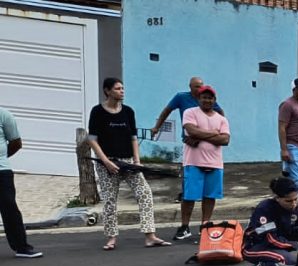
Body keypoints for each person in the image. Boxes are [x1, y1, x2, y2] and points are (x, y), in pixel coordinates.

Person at [87, 78, 169, 250]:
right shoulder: (97, 112)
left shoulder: (128, 111)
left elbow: (133, 137)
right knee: (110, 200)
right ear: (107, 91)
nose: (122, 91)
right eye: (117, 88)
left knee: (144, 192)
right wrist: (106, 161)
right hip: (107, 162)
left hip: (128, 162)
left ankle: (150, 235)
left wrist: (137, 161)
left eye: (123, 88)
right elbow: (92, 140)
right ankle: (111, 238)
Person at [173, 85, 230, 241]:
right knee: (189, 197)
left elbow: (225, 140)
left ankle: (205, 227)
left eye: (210, 97)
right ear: (198, 99)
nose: (207, 100)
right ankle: (184, 227)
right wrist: (213, 133)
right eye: (204, 97)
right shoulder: (190, 113)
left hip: (215, 163)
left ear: (214, 100)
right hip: (193, 162)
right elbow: (191, 131)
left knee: (210, 197)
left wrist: (199, 136)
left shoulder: (221, 118)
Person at [0, 106, 41, 258]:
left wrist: (2, 158)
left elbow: (16, 142)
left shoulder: (4, 115)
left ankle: (22, 247)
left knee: (9, 207)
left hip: (2, 171)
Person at [149, 76, 225, 139]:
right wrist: (157, 127)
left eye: (201, 87)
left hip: (206, 133)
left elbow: (220, 112)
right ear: (190, 87)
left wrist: (221, 128)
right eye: (196, 87)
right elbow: (167, 111)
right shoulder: (181, 97)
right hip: (190, 135)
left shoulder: (205, 99)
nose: (199, 89)